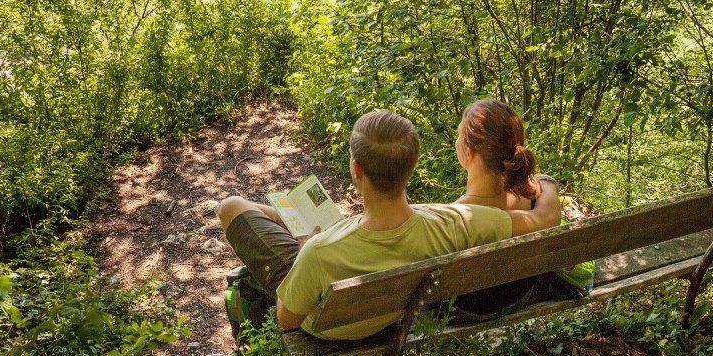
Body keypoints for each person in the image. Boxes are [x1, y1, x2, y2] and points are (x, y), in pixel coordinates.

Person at [216, 109, 561, 341]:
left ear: (356, 170)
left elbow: (288, 321)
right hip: (386, 313)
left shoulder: (319, 253)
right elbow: (543, 219)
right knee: (274, 219)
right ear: (411, 168)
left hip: (331, 328)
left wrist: (306, 248)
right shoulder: (457, 223)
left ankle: (281, 220)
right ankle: (282, 216)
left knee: (231, 206)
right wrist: (544, 182)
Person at [450, 98, 595, 322]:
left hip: (469, 311)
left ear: (468, 154)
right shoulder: (535, 195)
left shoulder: (453, 217)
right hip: (521, 294)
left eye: (459, 136)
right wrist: (547, 183)